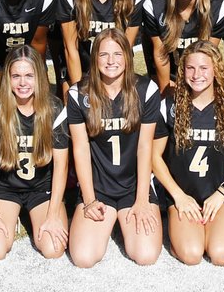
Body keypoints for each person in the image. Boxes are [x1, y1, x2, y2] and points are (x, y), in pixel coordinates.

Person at [66, 29, 162, 267]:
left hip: (133, 185)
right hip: (99, 187)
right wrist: (89, 200)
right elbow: (80, 149)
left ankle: (123, 220)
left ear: (128, 57)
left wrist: (141, 199)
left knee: (146, 255)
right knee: (83, 258)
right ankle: (110, 220)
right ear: (94, 58)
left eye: (118, 54)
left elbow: (144, 146)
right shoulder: (79, 94)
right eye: (104, 54)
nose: (111, 61)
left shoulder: (146, 90)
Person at [152, 40, 224, 266]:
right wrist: (178, 196)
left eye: (204, 68)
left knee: (220, 254)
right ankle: (183, 230)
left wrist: (223, 192)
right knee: (191, 254)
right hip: (184, 196)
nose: (197, 75)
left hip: (220, 196)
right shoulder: (168, 107)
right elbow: (154, 157)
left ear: (216, 70)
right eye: (190, 68)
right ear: (182, 70)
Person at [0, 46, 70, 261]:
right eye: (16, 76)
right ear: (7, 79)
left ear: (39, 76)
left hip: (41, 188)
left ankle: (33, 216)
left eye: (29, 75)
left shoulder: (54, 108)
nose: (22, 83)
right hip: (6, 188)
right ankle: (13, 217)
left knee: (53, 248)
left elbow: (61, 165)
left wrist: (54, 214)